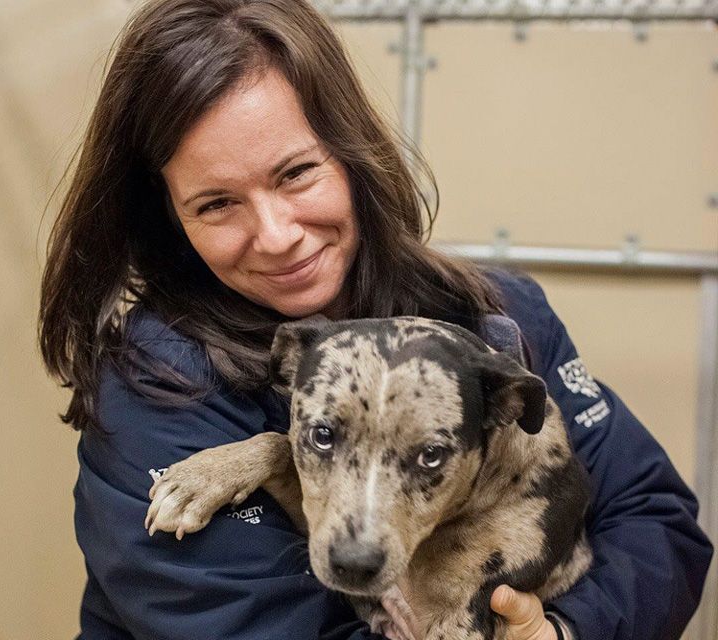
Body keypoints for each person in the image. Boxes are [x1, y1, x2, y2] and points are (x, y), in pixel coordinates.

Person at [38, 1, 712, 638]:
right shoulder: (157, 390)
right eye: (216, 204)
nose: (275, 235)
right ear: (171, 217)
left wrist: (567, 631)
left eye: (296, 173)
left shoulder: (497, 317)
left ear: (351, 152)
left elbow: (657, 522)